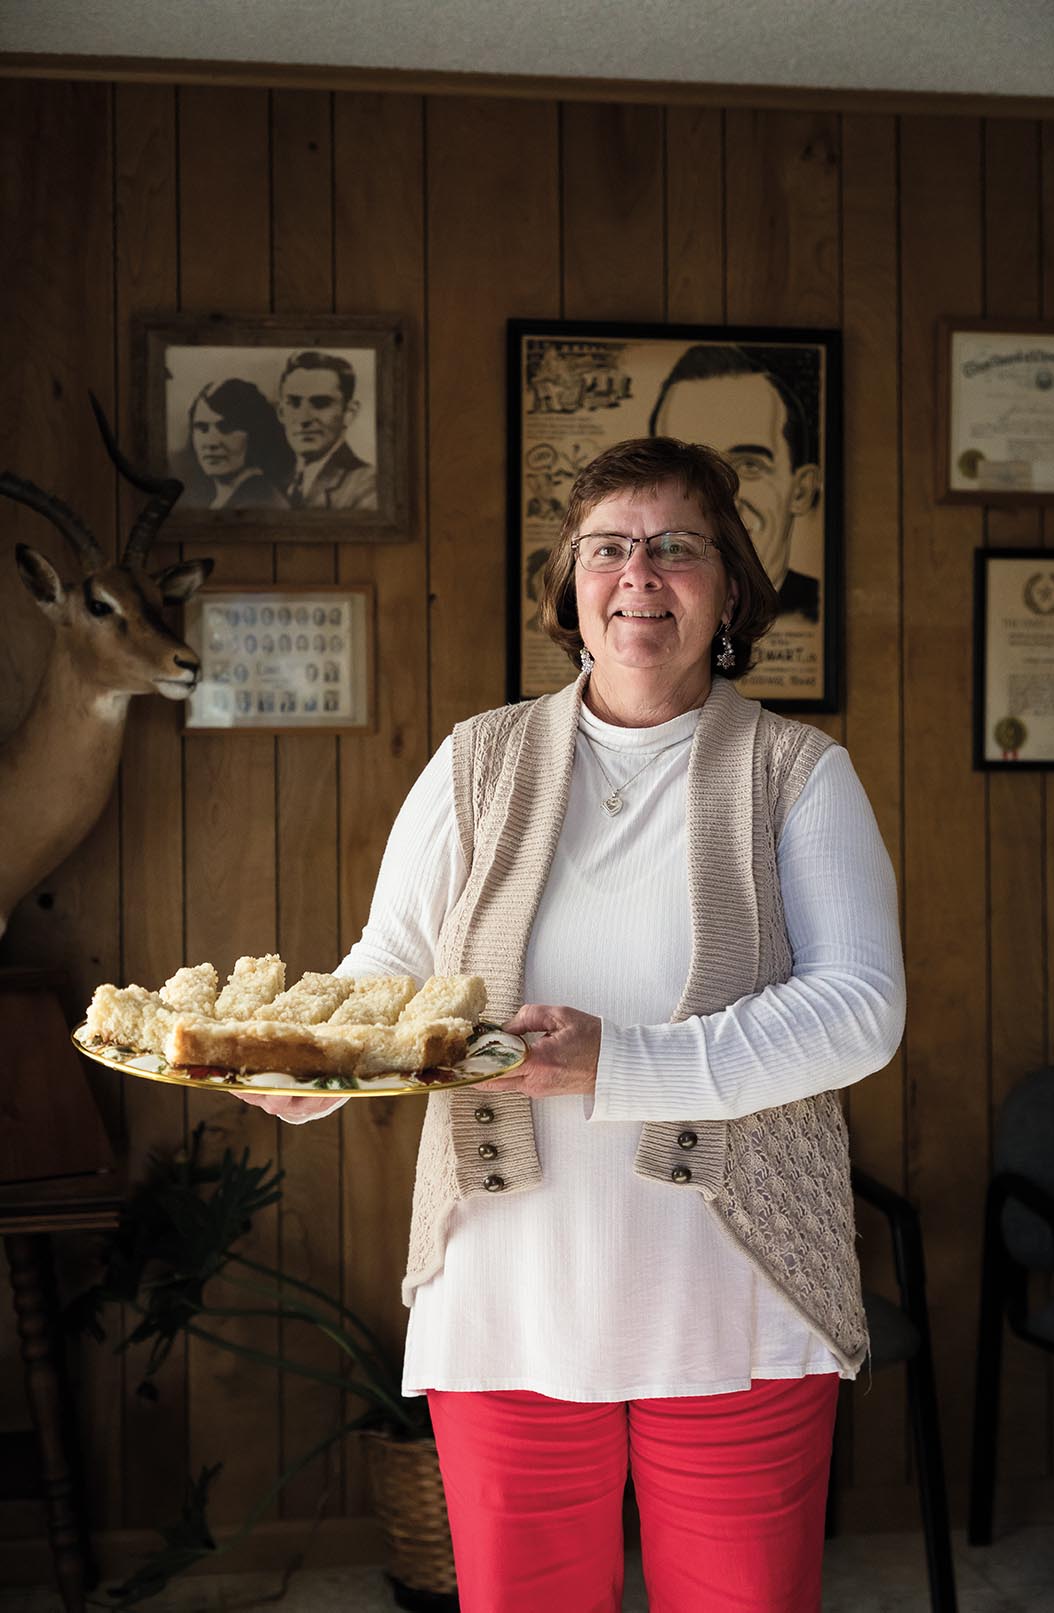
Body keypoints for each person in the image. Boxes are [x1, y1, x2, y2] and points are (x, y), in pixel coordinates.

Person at [236, 437, 904, 1612]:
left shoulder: (799, 772)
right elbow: (391, 966)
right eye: (609, 546)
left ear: (730, 586)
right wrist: (315, 1073)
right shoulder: (474, 761)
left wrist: (624, 1061)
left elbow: (860, 1008)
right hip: (509, 1288)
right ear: (569, 585)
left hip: (731, 1290)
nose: (638, 572)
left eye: (676, 546)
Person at [649, 345, 823, 621]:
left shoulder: (815, 606)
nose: (719, 498)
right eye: (689, 470)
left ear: (800, 490)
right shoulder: (638, 608)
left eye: (749, 466)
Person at [276, 350, 378, 510]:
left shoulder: (370, 486)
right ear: (281, 413)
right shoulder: (277, 485)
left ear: (349, 413)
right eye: (294, 403)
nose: (304, 419)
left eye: (321, 403)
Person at [182, 379, 292, 510]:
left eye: (227, 428)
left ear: (255, 434)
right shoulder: (224, 499)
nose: (211, 443)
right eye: (202, 428)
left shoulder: (261, 503)